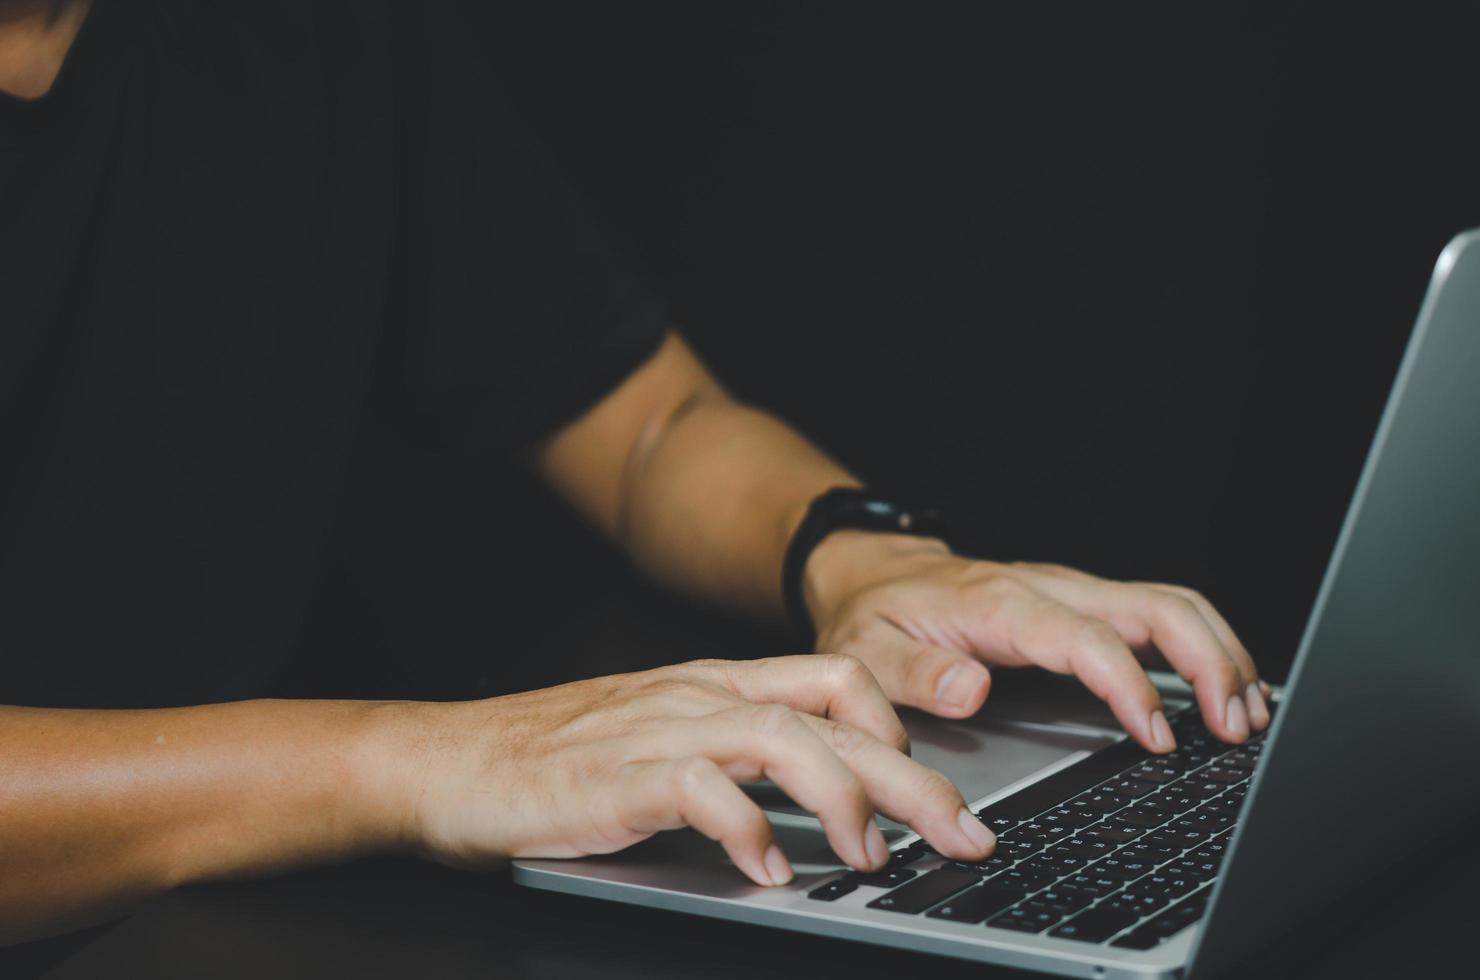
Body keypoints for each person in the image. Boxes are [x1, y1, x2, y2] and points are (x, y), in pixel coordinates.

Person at [0, 0, 1270, 947]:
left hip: (222, 905)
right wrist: (414, 763)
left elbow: (644, 421)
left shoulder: (317, 35)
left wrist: (869, 559)